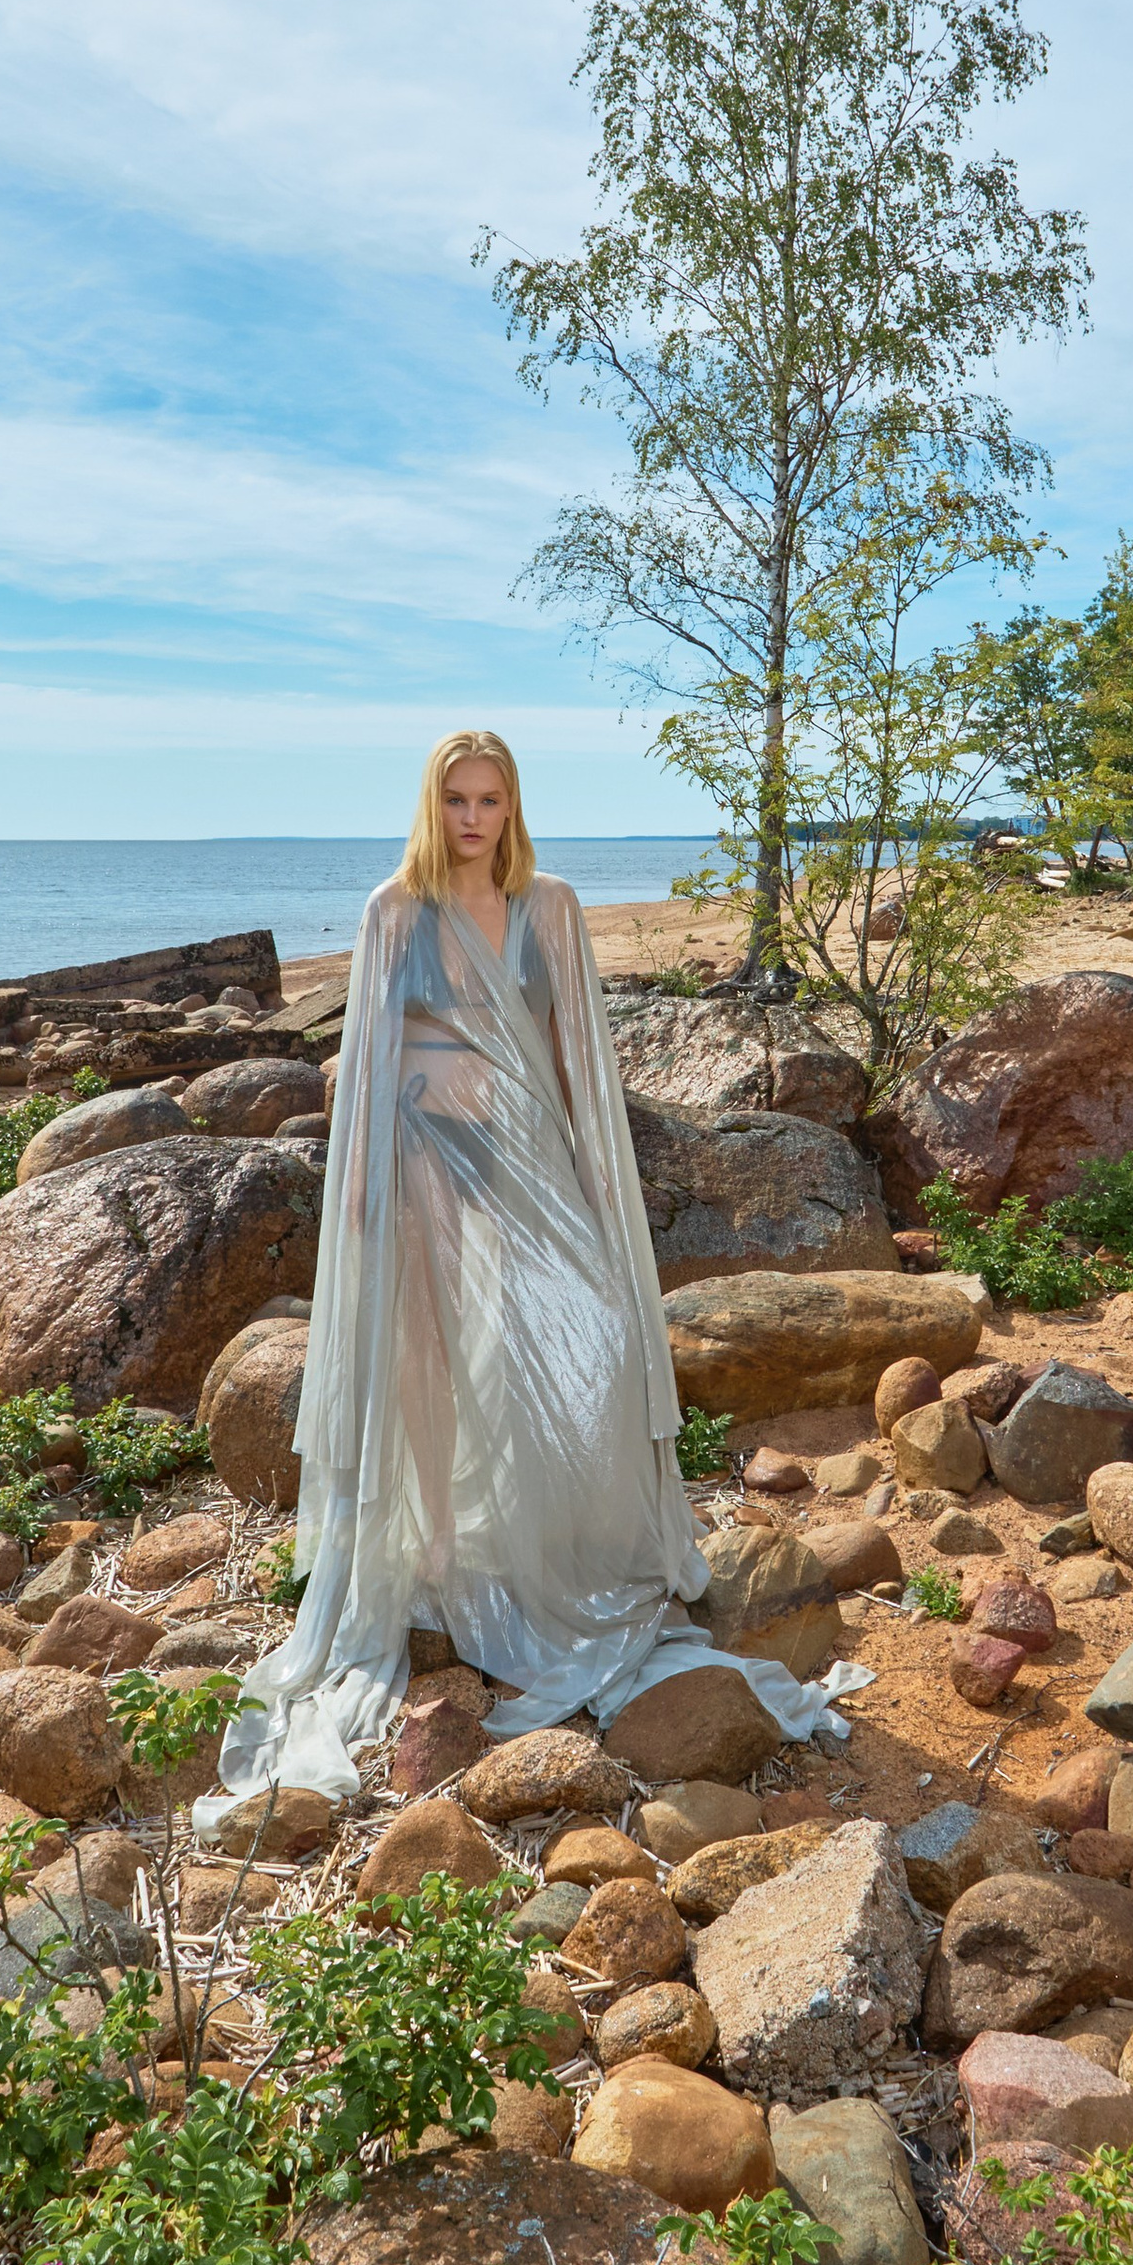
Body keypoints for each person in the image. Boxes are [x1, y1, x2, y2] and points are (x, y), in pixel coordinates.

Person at [211, 730, 867, 1804]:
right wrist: (361, 1192)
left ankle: (564, 1544)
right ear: (432, 806)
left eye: (491, 800)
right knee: (426, 1352)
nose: (474, 819)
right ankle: (433, 1551)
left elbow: (575, 1059)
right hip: (425, 1156)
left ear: (513, 806)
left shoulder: (549, 906)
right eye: (457, 800)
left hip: (527, 1156)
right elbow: (370, 1058)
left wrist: (594, 1185)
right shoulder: (394, 911)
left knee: (586, 1333)